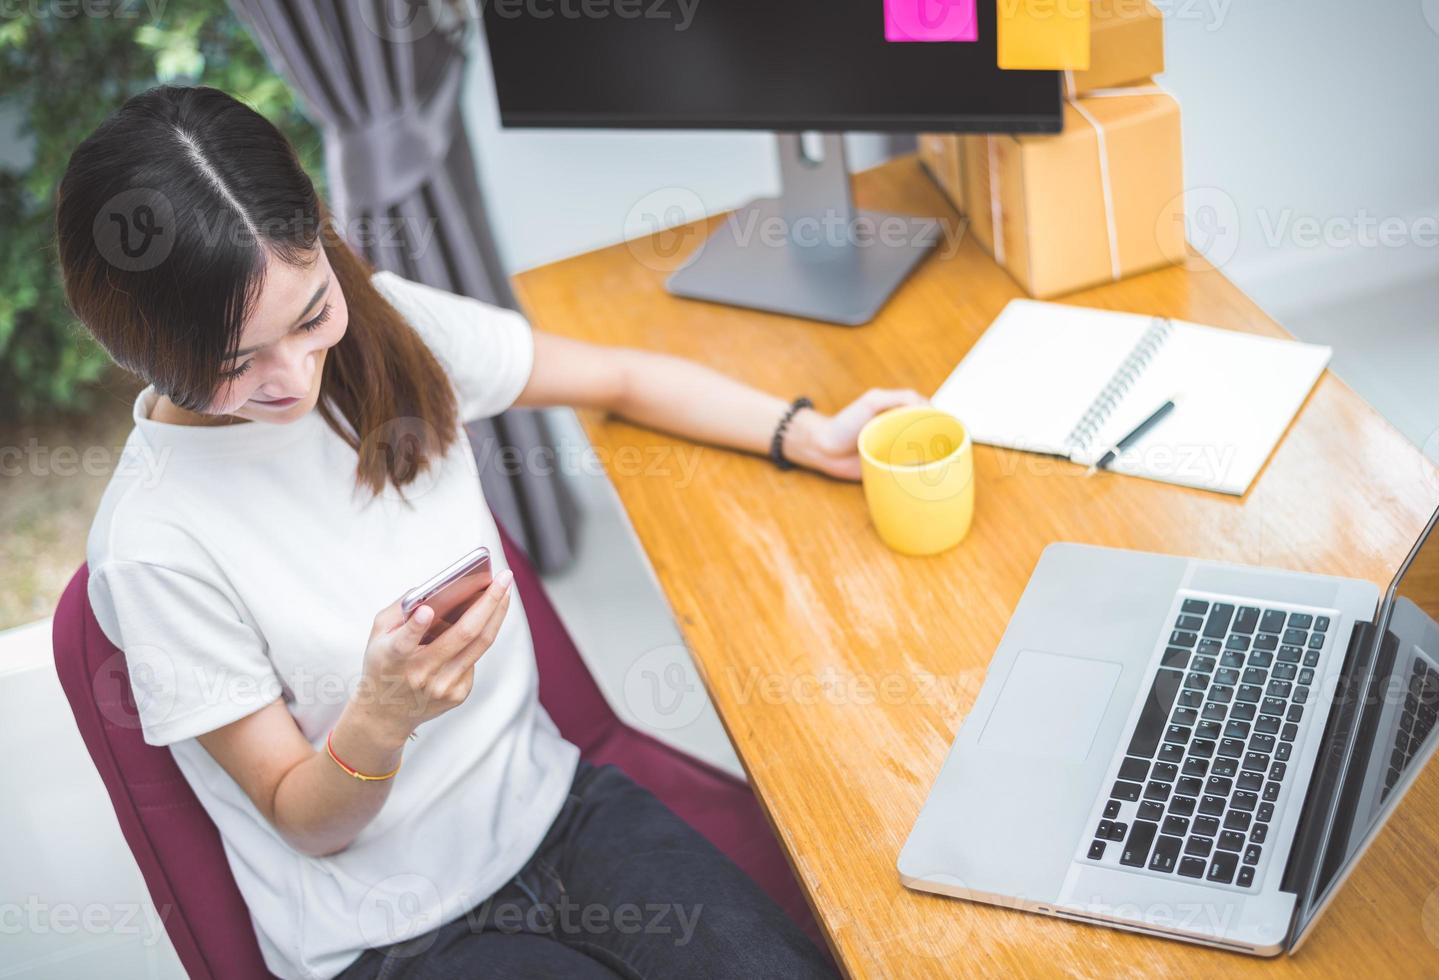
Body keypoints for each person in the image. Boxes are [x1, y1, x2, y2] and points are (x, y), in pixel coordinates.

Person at [57, 85, 919, 980]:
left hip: (559, 810)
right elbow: (302, 820)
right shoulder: (155, 546)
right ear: (133, 348)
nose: (296, 379)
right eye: (234, 366)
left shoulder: (388, 333)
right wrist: (380, 720)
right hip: (390, 934)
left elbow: (618, 377)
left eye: (311, 316)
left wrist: (803, 431)